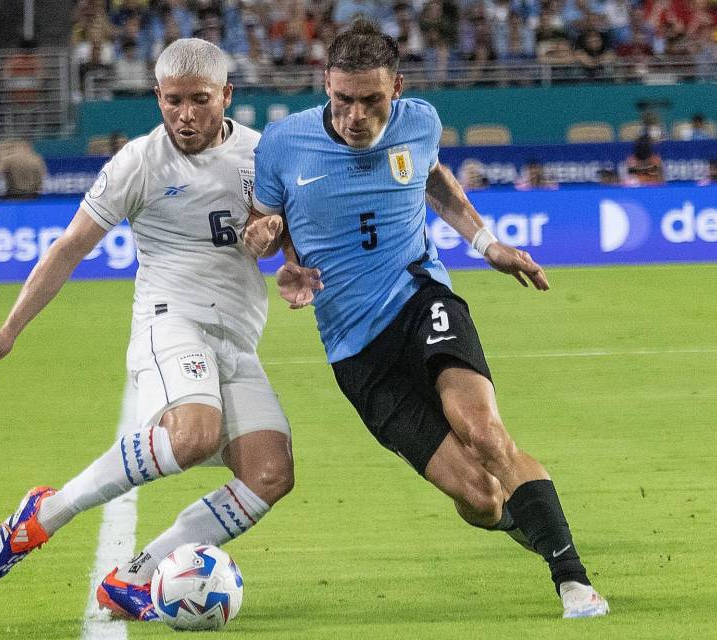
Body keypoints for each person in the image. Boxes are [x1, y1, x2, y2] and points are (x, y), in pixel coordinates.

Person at [243, 19, 608, 619]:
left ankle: (572, 580)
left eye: (371, 101)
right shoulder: (283, 144)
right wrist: (274, 253)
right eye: (343, 100)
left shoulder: (420, 121)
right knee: (481, 499)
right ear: (325, 86)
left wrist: (487, 243)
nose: (356, 115)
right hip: (354, 349)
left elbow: (435, 182)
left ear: (397, 88)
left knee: (485, 432)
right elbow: (265, 226)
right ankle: (525, 517)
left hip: (421, 298)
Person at [0, 38, 293, 621]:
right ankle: (49, 512)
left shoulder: (262, 154)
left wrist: (274, 238)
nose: (185, 115)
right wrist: (9, 331)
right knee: (194, 434)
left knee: (270, 474)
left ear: (227, 95)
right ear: (157, 97)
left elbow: (289, 237)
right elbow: (68, 249)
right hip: (170, 323)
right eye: (172, 101)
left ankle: (135, 577)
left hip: (236, 338)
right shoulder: (139, 163)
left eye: (200, 100)